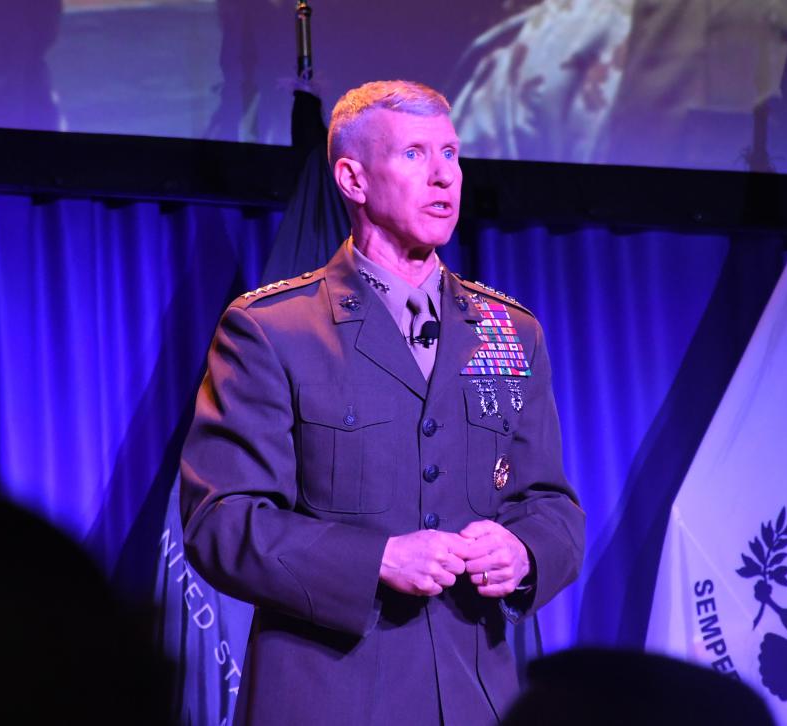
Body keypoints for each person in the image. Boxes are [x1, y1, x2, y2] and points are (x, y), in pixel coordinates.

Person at [181, 79, 584, 725]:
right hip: (326, 698)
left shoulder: (510, 331)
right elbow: (223, 523)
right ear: (352, 178)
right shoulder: (273, 329)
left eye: (450, 155)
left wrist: (525, 553)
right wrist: (378, 560)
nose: (444, 178)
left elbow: (550, 504)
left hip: (474, 698)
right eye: (414, 155)